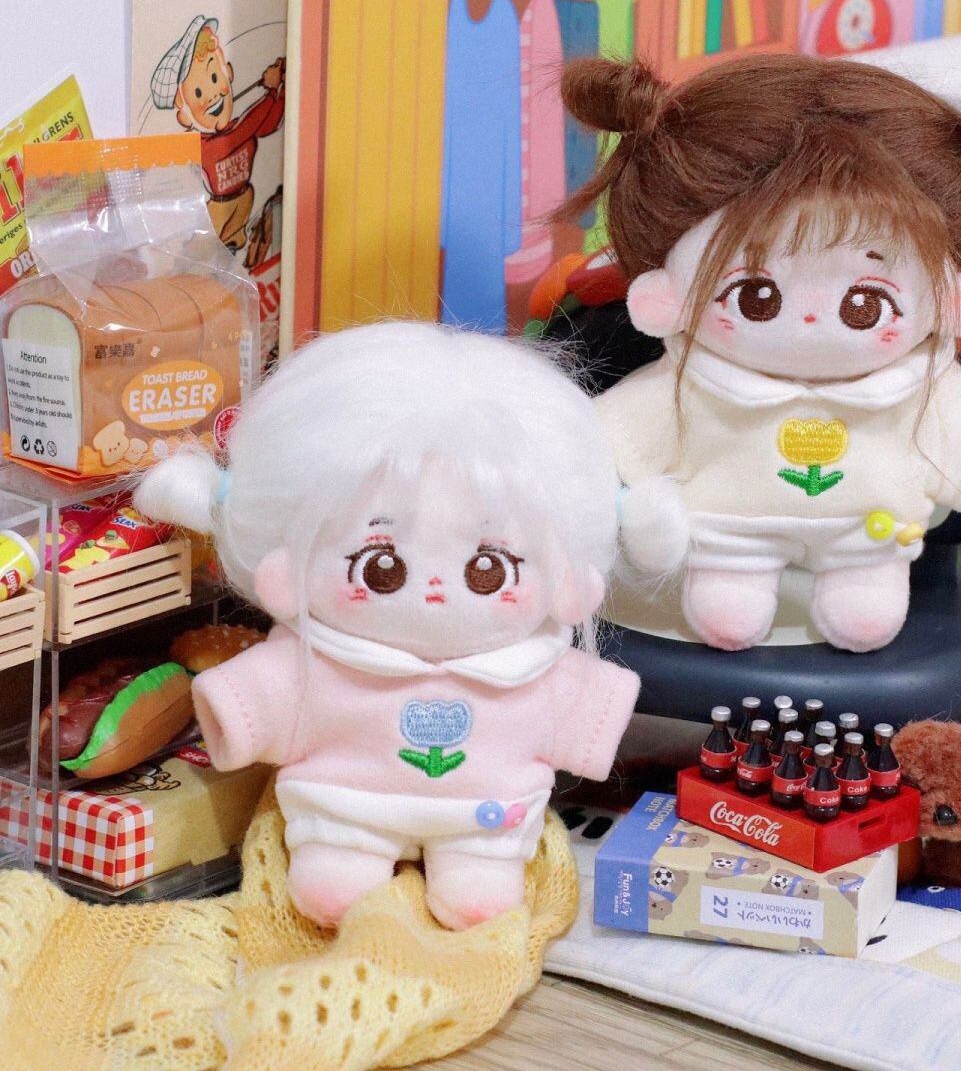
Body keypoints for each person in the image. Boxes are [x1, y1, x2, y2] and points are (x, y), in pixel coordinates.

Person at [134, 322, 639, 930]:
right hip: (341, 815)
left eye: (487, 570)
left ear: (568, 584)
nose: (434, 591)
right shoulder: (311, 660)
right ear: (286, 571)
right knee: (333, 889)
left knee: (479, 898)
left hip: (486, 823)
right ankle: (344, 857)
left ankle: (476, 866)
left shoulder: (541, 668)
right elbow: (254, 699)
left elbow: (588, 713)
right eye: (381, 567)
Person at [555, 51, 961, 652]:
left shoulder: (925, 392)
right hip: (726, 540)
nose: (815, 322)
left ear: (952, 304)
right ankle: (735, 585)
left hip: (868, 542)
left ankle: (859, 586)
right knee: (727, 614)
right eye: (757, 297)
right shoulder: (686, 386)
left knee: (866, 617)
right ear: (667, 299)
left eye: (865, 305)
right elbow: (598, 444)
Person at [150, 15, 285, 251]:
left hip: (245, 197)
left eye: (215, 77)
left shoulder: (240, 127)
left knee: (236, 248)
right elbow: (242, 132)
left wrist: (283, 89)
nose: (213, 95)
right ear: (184, 116)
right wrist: (272, 92)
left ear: (228, 73)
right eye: (198, 93)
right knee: (203, 254)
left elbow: (269, 123)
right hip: (218, 209)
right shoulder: (201, 145)